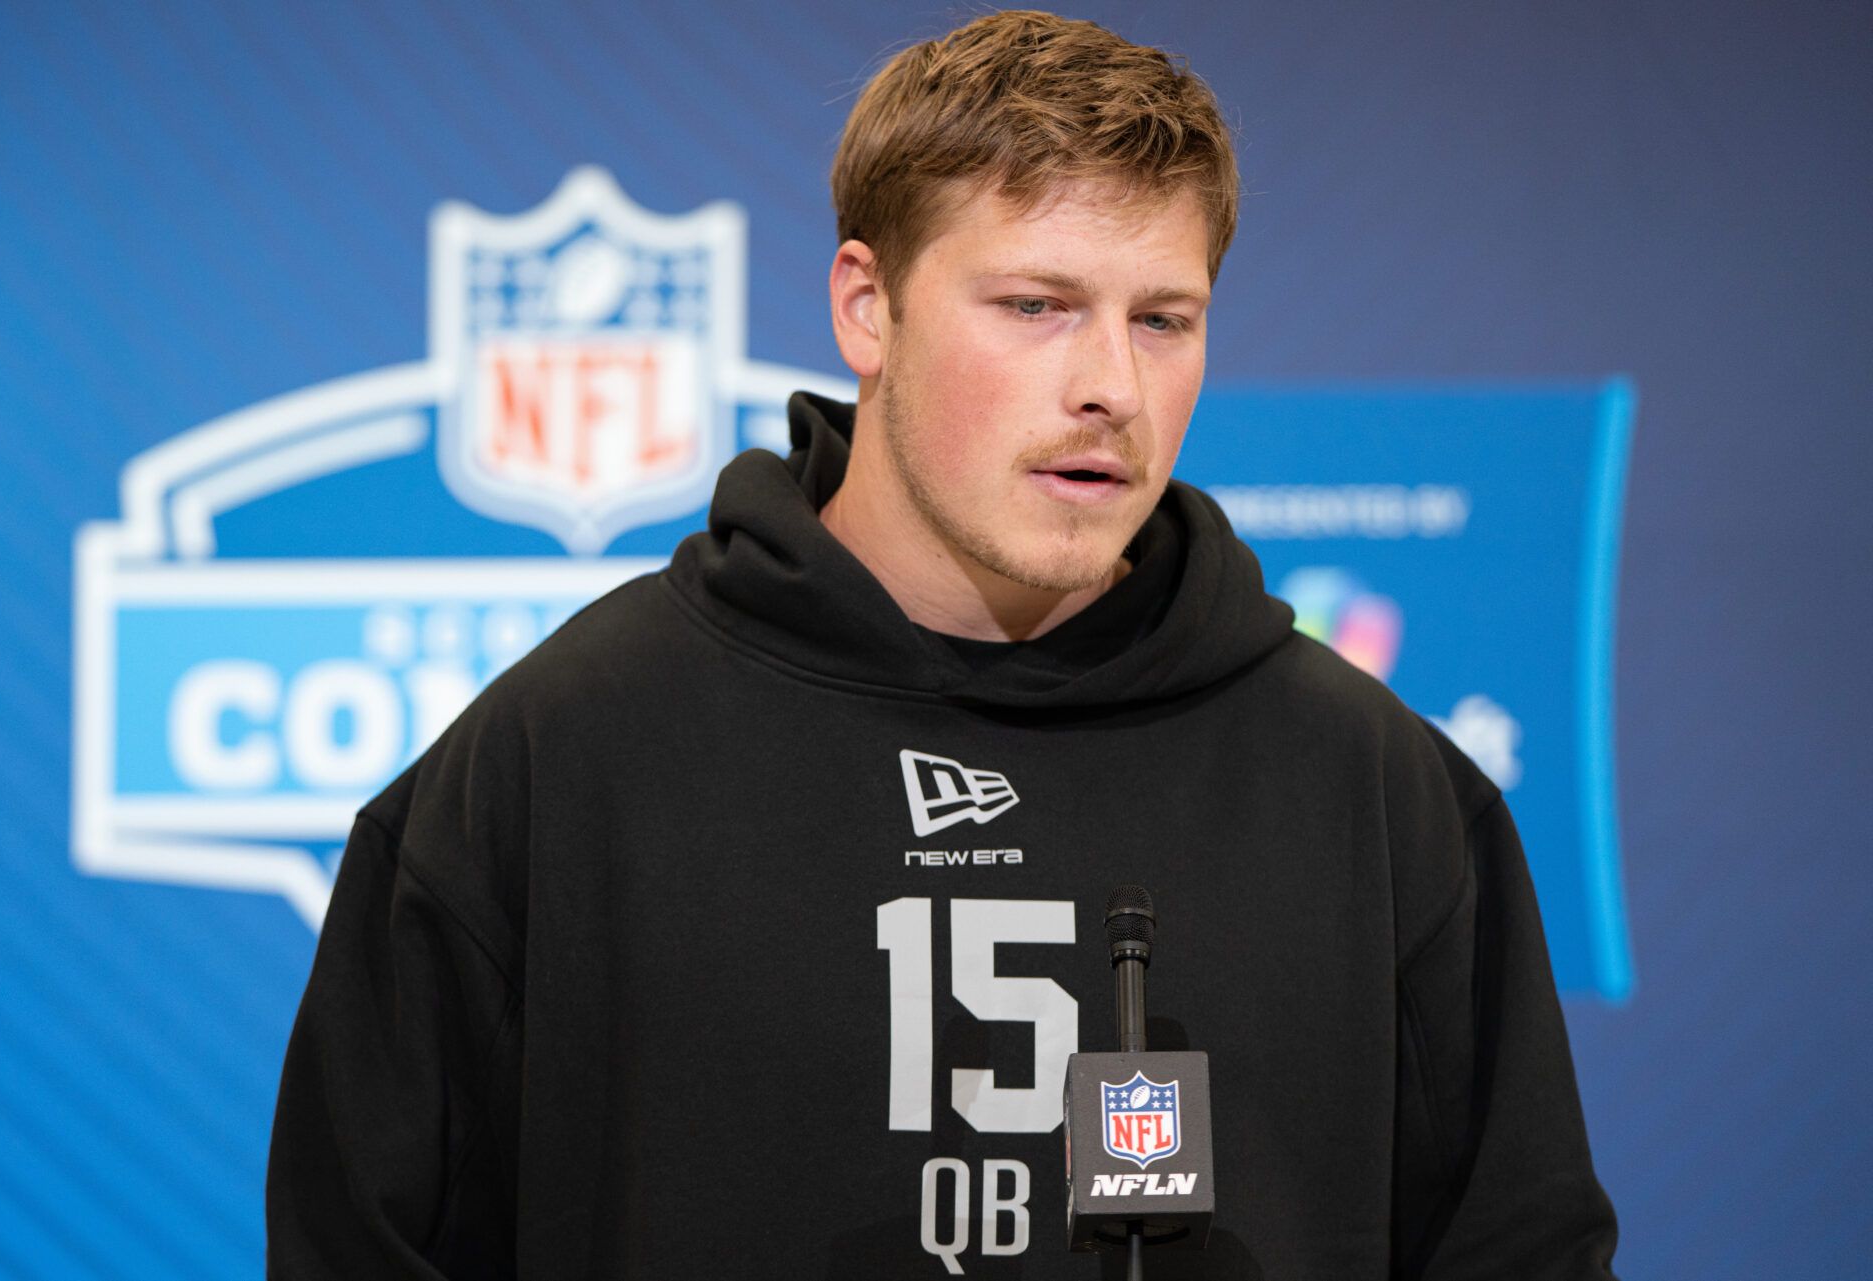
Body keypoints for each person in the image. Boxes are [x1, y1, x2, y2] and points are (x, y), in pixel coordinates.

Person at [267, 11, 1619, 1278]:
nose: (1109, 386)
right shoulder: (556, 761)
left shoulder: (1382, 796)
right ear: (868, 306)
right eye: (1036, 305)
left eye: (1164, 319)